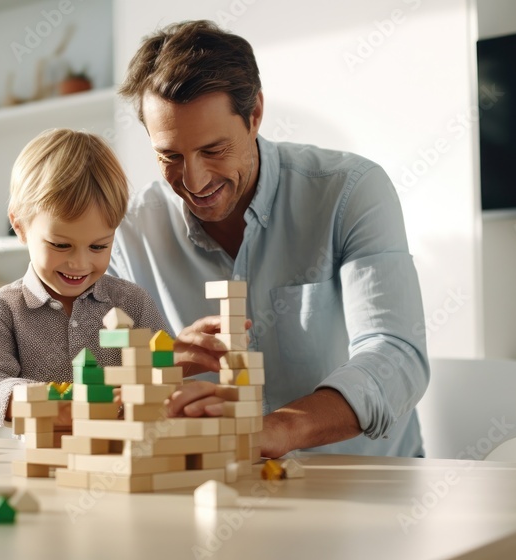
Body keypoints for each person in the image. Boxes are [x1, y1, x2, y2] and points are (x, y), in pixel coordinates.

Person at [109, 20, 430, 459]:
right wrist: (157, 362)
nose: (194, 180)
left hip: (371, 485)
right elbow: (97, 375)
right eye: (170, 156)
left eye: (213, 150)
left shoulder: (351, 191)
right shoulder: (127, 231)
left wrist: (275, 430)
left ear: (255, 113)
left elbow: (396, 355)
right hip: (222, 491)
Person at [0, 128, 171, 427]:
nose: (80, 263)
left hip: (121, 459)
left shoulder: (132, 303)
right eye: (61, 245)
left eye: (99, 246)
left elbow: (165, 370)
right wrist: (47, 402)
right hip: (40, 463)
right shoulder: (1, 309)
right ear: (20, 226)